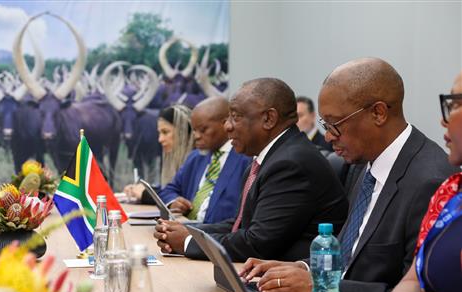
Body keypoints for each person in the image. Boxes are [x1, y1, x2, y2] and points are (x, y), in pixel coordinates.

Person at [240, 59, 457, 292]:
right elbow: (349, 256)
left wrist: (319, 285)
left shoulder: (430, 182)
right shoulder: (361, 163)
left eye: (334, 124)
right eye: (324, 124)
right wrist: (299, 268)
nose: (328, 136)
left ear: (378, 113)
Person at [154, 77, 348, 262]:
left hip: (294, 287)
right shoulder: (270, 158)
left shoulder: (290, 164)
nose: (228, 126)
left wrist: (188, 242)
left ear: (269, 119)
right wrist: (191, 231)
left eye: (235, 117)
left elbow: (258, 243)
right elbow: (240, 225)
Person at [354, 71, 462, 292]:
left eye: (454, 104)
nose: (444, 120)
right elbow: (411, 281)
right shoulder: (451, 191)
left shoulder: (430, 177)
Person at [157, 97, 252, 223]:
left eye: (202, 130)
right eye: (194, 130)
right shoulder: (195, 157)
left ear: (226, 124)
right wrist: (174, 201)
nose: (196, 136)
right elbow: (169, 190)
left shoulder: (246, 160)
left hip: (217, 237)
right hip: (187, 229)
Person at [123, 104, 193, 201]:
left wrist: (146, 194)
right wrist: (146, 190)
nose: (160, 139)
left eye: (165, 132)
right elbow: (170, 190)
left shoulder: (195, 163)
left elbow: (181, 197)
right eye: (159, 133)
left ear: (182, 132)